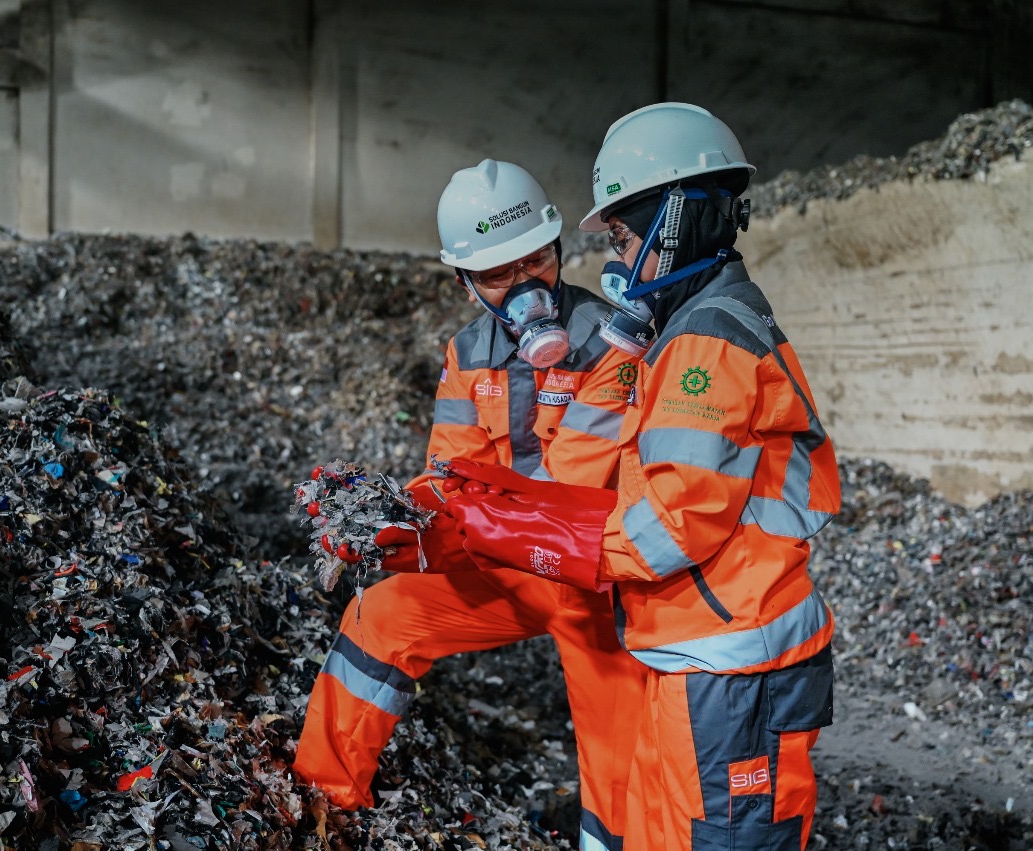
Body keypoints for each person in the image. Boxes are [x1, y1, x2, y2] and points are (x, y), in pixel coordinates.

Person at [441, 103, 840, 850]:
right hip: (693, 649)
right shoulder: (676, 336)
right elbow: (592, 471)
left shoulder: (704, 347)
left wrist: (546, 543)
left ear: (679, 221)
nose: (619, 260)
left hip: (733, 662)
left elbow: (669, 527)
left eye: (623, 237)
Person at [293, 158, 649, 851]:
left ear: (557, 250)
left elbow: (571, 488)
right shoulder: (468, 354)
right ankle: (322, 803)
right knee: (380, 614)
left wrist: (456, 529)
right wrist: (395, 522)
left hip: (596, 578)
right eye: (498, 275)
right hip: (507, 565)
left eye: (536, 261)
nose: (524, 287)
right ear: (465, 285)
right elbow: (451, 473)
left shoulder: (616, 342)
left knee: (619, 745)